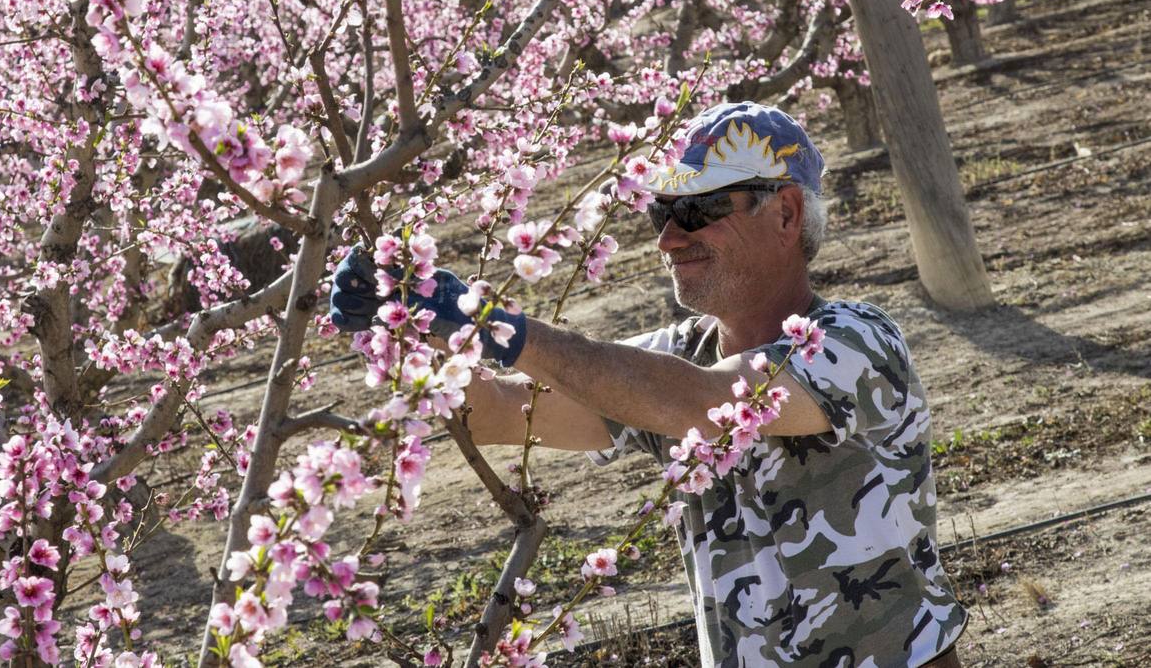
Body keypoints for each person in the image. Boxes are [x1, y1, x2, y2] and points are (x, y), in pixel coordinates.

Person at [330, 102, 966, 667]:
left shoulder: (856, 342)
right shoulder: (673, 359)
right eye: (662, 210)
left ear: (786, 213)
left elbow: (711, 403)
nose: (668, 237)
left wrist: (494, 326)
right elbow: (498, 414)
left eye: (697, 210)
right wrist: (415, 328)